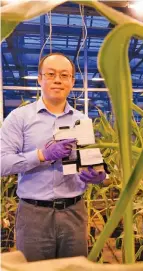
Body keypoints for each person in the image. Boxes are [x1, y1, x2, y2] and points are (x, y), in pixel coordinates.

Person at [0, 52, 106, 262]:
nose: (58, 79)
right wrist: (41, 155)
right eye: (51, 74)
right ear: (40, 78)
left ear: (72, 82)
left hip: (74, 212)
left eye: (64, 75)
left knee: (74, 268)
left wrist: (99, 177)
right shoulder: (20, 118)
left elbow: (89, 160)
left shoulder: (81, 120)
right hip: (34, 215)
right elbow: (2, 163)